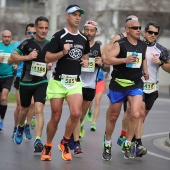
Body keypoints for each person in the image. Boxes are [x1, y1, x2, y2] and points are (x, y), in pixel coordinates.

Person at [41, 4, 89, 161]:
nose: (77, 17)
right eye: (74, 14)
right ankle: (48, 145)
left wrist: (86, 61)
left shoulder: (83, 38)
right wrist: (63, 52)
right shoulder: (59, 36)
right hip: (58, 81)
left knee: (76, 113)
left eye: (79, 15)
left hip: (75, 82)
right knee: (56, 116)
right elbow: (47, 58)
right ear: (67, 16)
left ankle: (65, 142)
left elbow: (86, 55)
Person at [102, 19, 149, 161]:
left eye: (139, 27)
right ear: (127, 29)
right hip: (119, 84)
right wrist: (125, 60)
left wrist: (145, 71)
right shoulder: (120, 44)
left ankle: (128, 143)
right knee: (113, 116)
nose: (138, 30)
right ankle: (108, 142)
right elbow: (108, 60)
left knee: (135, 113)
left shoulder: (142, 44)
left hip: (136, 84)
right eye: (134, 27)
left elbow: (144, 58)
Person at [10, 16, 51, 153]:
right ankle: (21, 126)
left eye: (46, 28)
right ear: (36, 27)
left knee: (39, 109)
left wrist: (50, 63)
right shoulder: (26, 43)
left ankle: (38, 139)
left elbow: (54, 59)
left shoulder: (49, 44)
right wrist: (27, 57)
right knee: (24, 109)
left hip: (42, 81)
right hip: (26, 82)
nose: (43, 30)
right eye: (41, 28)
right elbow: (12, 58)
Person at [69, 20, 109, 154]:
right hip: (77, 83)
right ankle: (76, 142)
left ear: (96, 32)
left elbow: (107, 66)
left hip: (90, 85)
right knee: (76, 112)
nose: (89, 33)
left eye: (92, 30)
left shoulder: (100, 47)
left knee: (81, 115)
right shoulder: (78, 43)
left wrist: (101, 63)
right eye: (87, 30)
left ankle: (74, 131)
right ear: (83, 30)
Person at [132, 21, 170, 157]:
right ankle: (138, 143)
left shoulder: (161, 50)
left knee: (142, 117)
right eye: (150, 32)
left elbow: (169, 68)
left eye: (155, 33)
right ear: (145, 32)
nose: (152, 35)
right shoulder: (137, 45)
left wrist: (161, 62)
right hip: (138, 85)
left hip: (153, 87)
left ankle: (131, 137)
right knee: (140, 114)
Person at [9, 23, 36, 140]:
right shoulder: (20, 44)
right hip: (21, 77)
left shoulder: (39, 44)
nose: (32, 35)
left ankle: (27, 126)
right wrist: (16, 63)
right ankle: (16, 128)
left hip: (35, 78)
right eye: (30, 33)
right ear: (26, 33)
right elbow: (12, 58)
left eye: (34, 33)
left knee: (33, 104)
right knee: (20, 107)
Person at [0, 30, 16, 131]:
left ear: (11, 37)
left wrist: (16, 65)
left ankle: (1, 121)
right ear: (2, 37)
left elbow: (18, 59)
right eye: (5, 37)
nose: (7, 39)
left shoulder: (14, 48)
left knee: (4, 98)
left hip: (8, 76)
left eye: (9, 37)